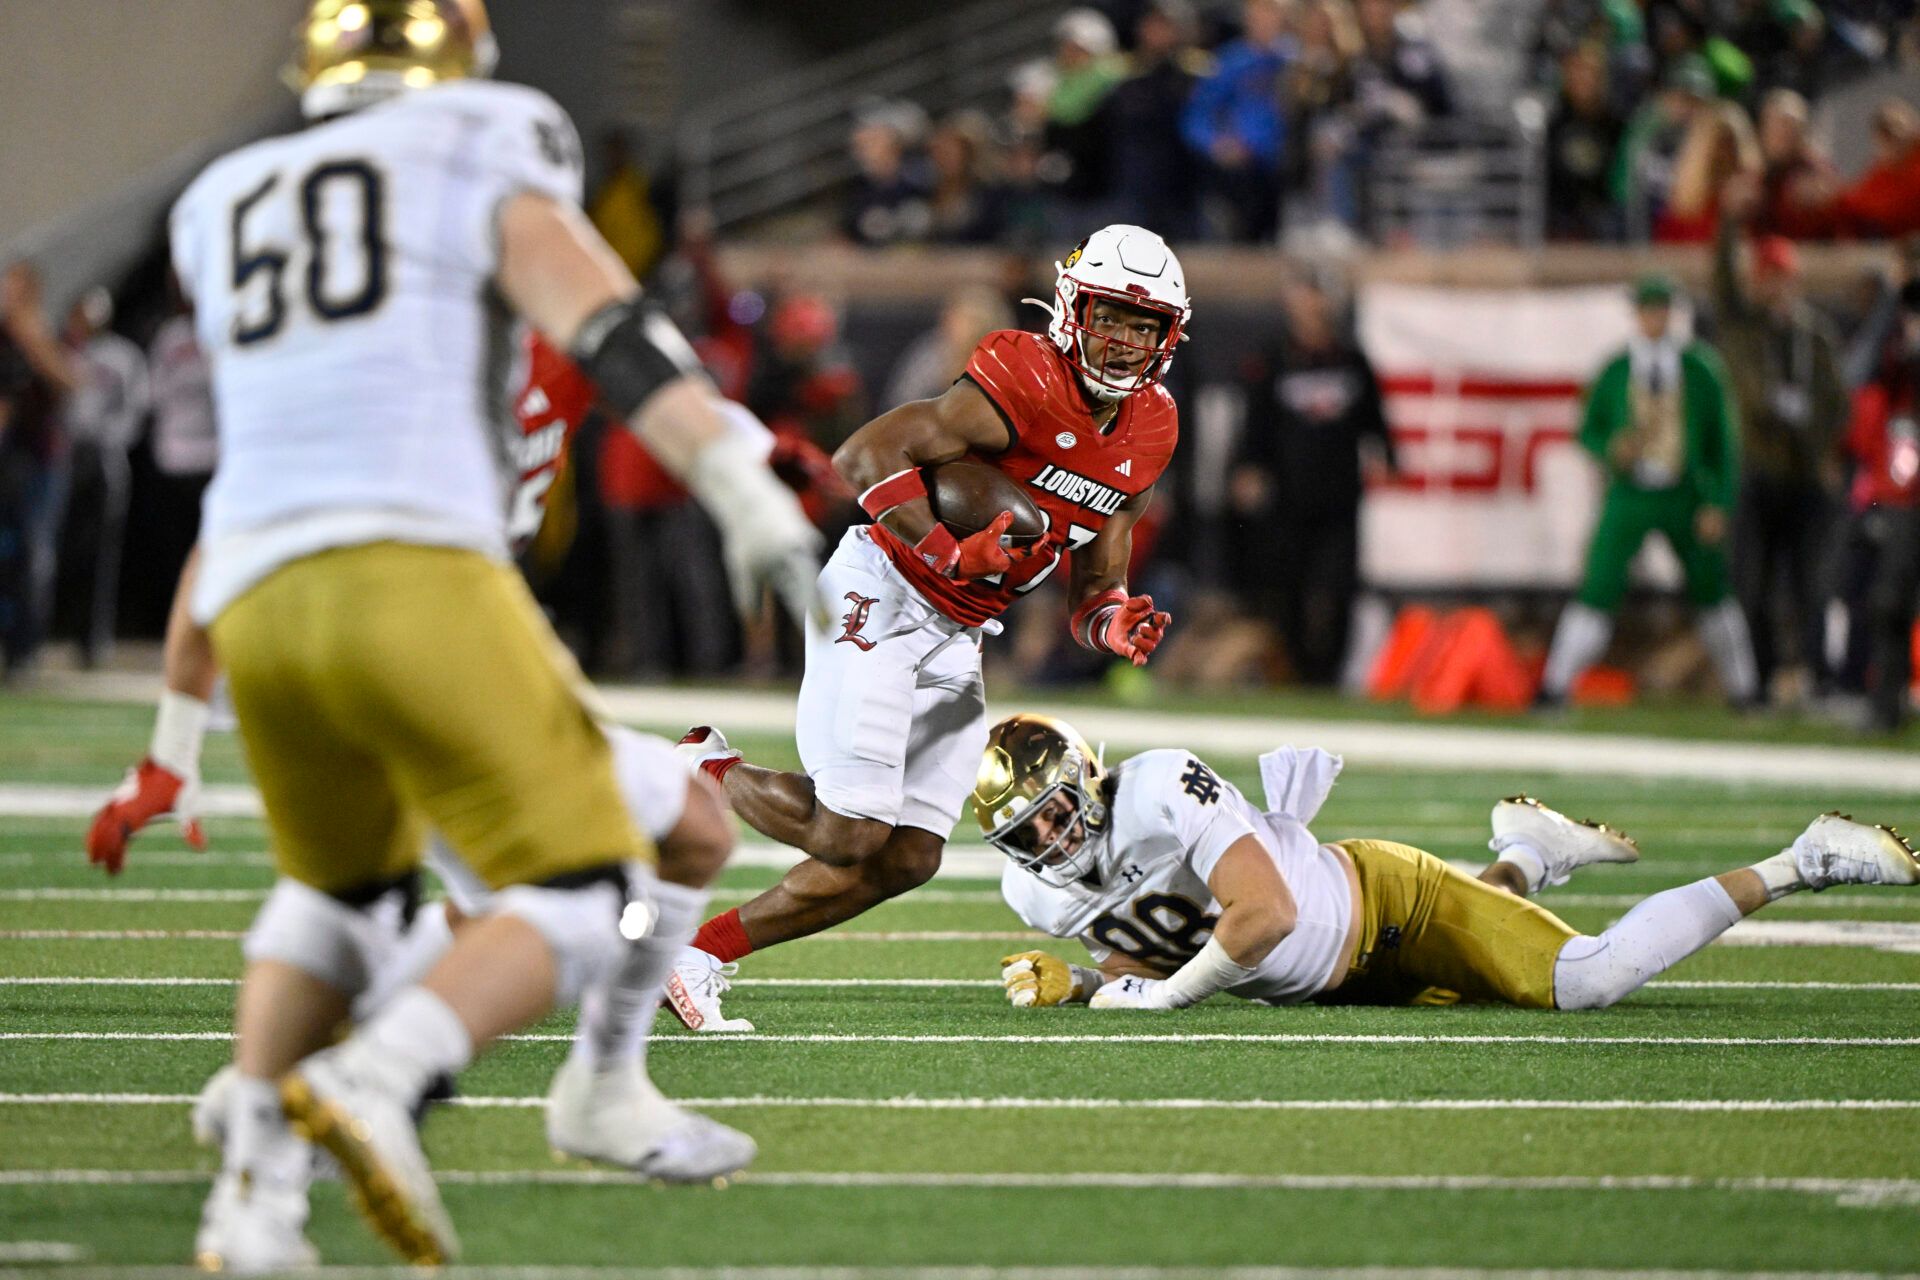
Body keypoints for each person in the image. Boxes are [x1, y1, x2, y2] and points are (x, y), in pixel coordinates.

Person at [158, 0, 819, 1268]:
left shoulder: (228, 194)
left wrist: (179, 722)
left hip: (258, 594)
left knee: (347, 899)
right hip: (410, 574)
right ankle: (378, 1073)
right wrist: (736, 478)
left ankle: (253, 1201)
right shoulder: (478, 137)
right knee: (590, 887)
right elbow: (608, 327)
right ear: (459, 57)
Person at [670, 224, 1189, 1031]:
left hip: (959, 626)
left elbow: (1097, 582)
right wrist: (948, 548)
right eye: (1111, 317)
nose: (1125, 342)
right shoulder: (1022, 376)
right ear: (1073, 309)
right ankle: (707, 768)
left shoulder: (1152, 428)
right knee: (850, 832)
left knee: (910, 854)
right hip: (885, 587)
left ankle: (697, 952)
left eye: (1144, 325)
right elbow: (861, 458)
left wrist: (1109, 625)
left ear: (1169, 337)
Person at [983, 714, 1917, 1013]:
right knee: (1489, 967)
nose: (1053, 842)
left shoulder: (1154, 787)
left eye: (1057, 812)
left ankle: (1801, 860)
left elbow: (1261, 915)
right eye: (1028, 833)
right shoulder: (1033, 889)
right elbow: (1158, 943)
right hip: (1342, 986)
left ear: (1090, 779)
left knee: (1582, 982)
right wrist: (1083, 982)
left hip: (1393, 902)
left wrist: (1161, 1003)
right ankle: (1525, 852)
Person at [1537, 273, 1757, 708]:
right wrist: (1610, 448)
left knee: (1712, 589)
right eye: (1647, 309)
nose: (1654, 318)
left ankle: (1744, 690)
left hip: (1685, 491)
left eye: (1661, 309)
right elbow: (1588, 429)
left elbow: (1723, 443)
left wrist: (1719, 501)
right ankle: (1554, 686)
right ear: (1636, 314)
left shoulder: (1700, 369)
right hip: (1631, 491)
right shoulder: (1617, 369)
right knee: (1597, 586)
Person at [1713, 194, 1849, 702]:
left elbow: (1836, 402)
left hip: (1806, 472)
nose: (1773, 285)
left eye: (1780, 275)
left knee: (1813, 584)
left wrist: (1825, 447)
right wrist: (1729, 223)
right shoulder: (1744, 328)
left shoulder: (1813, 336)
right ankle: (1758, 683)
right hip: (1760, 468)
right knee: (1754, 583)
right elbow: (1723, 285)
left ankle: (1818, 677)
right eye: (1765, 275)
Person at [1230, 263, 1394, 685]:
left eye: (1319, 294)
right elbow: (1254, 424)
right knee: (1288, 588)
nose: (1313, 304)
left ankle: (1329, 672)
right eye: (1306, 293)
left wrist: (1389, 458)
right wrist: (1247, 469)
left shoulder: (1351, 360)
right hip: (1287, 496)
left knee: (1339, 587)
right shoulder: (1273, 359)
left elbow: (1375, 419)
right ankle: (1297, 671)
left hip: (1340, 495)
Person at [57, 288, 149, 667]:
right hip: (63, 456)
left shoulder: (123, 356)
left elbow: (138, 408)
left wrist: (111, 441)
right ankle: (50, 631)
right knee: (58, 548)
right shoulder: (64, 351)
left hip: (105, 457)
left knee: (101, 553)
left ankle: (93, 640)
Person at [0, 261, 78, 678]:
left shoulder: (46, 333)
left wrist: (33, 340)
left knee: (33, 551)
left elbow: (71, 383)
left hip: (42, 459)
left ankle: (24, 651)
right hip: (6, 458)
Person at [1181, 0, 1295, 242]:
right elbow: (1196, 116)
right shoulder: (1229, 61)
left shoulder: (1295, 58)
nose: (1265, 21)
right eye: (1259, 14)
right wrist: (1217, 144)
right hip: (1243, 172)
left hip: (1290, 169)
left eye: (1271, 14)